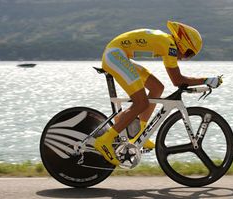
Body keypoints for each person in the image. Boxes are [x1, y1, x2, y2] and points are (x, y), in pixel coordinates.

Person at [94, 21, 223, 166]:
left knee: (157, 87)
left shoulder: (168, 42)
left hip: (117, 54)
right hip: (115, 56)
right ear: (183, 42)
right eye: (188, 53)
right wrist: (207, 80)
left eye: (190, 56)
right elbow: (177, 80)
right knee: (141, 102)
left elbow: (176, 80)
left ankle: (139, 133)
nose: (186, 58)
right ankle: (105, 140)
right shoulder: (170, 46)